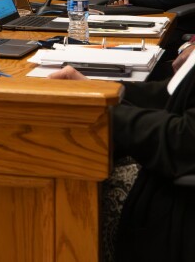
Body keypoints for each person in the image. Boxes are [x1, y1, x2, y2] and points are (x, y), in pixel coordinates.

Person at [48, 44, 195, 262]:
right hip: (169, 181)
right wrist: (102, 91)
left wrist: (99, 111)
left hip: (176, 208)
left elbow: (184, 142)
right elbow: (170, 96)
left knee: (57, 186)